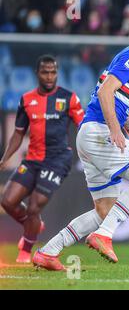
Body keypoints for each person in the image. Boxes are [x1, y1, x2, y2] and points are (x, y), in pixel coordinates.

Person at [32, 16, 129, 271]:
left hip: (91, 134)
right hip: (100, 132)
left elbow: (123, 109)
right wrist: (114, 130)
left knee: (105, 211)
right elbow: (105, 93)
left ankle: (49, 251)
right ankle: (104, 235)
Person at [0, 55, 84, 263]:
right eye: (45, 72)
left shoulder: (69, 98)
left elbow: (84, 127)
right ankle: (34, 223)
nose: (49, 76)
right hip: (32, 160)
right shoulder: (26, 100)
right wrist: (5, 158)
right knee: (7, 202)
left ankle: (26, 250)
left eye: (53, 72)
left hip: (57, 160)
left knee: (34, 207)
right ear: (37, 73)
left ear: (57, 73)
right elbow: (18, 133)